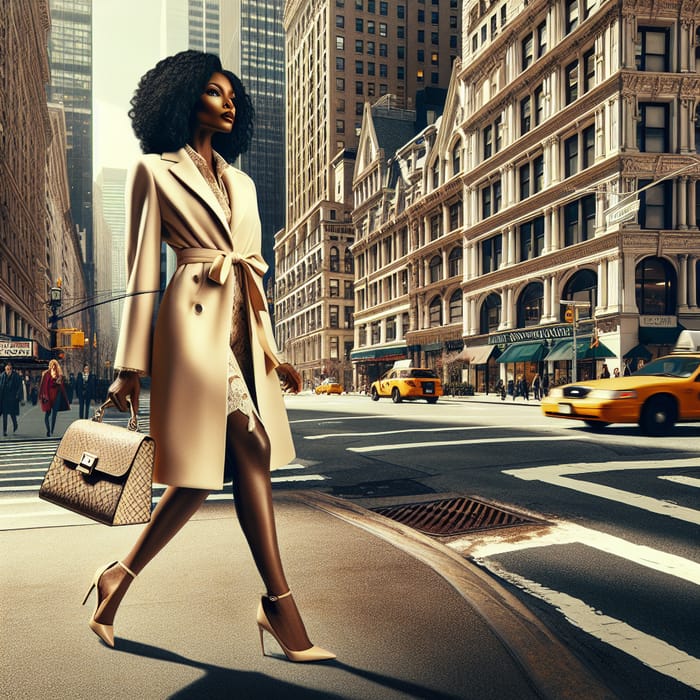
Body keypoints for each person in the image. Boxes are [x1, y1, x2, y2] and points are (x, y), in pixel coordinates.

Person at [83, 51, 334, 663]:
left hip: (244, 327)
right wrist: (127, 367)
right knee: (253, 446)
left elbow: (253, 272)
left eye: (233, 97)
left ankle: (117, 577)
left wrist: (275, 353)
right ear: (183, 98)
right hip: (191, 324)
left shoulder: (243, 183)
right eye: (216, 93)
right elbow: (143, 273)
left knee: (199, 478)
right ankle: (280, 605)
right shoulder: (153, 172)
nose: (230, 104)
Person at [38, 359, 70, 437]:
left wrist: (60, 381)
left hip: (56, 397)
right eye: (52, 365)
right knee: (47, 414)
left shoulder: (59, 375)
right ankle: (48, 430)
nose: (53, 367)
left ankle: (51, 430)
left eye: (54, 365)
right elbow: (43, 386)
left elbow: (62, 385)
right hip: (48, 397)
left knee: (54, 414)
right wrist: (42, 396)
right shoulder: (46, 374)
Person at [0, 362, 22, 436]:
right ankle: (4, 431)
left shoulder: (16, 376)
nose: (8, 371)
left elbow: (19, 386)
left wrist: (18, 396)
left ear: (12, 369)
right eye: (7, 369)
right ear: (5, 369)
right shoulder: (2, 376)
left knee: (13, 415)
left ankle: (15, 425)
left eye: (9, 369)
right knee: (5, 415)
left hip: (13, 398)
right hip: (4, 399)